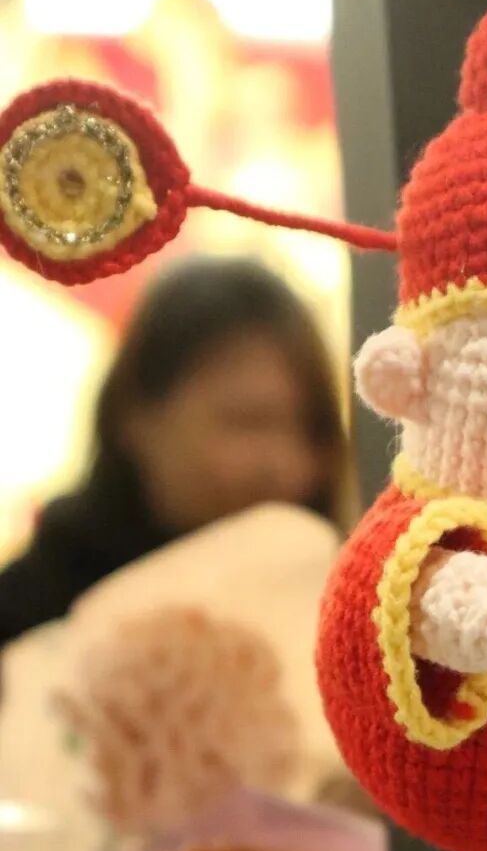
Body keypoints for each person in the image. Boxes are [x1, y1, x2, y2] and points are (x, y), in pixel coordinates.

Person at [0, 256, 349, 647]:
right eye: (247, 421)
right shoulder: (26, 621)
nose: (286, 465)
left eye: (313, 429)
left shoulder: (354, 618)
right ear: (136, 416)